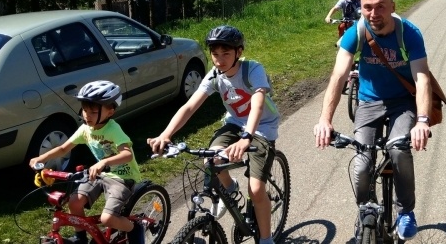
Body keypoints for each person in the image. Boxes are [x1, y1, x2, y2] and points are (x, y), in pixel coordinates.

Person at [313, 0, 431, 242]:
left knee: (398, 148)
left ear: (392, 7)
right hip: (368, 102)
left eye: (380, 7)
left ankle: (405, 211)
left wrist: (422, 120)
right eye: (367, 7)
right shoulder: (357, 31)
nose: (373, 13)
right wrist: (325, 119)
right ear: (361, 9)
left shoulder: (408, 33)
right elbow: (339, 75)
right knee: (362, 162)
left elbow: (421, 77)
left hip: (402, 102)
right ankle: (365, 209)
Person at [147, 25, 280, 244]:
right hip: (235, 123)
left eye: (226, 53)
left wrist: (247, 137)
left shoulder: (253, 69)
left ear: (239, 51)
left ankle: (266, 239)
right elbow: (190, 106)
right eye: (215, 54)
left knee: (256, 189)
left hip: (262, 126)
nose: (219, 60)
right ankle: (230, 188)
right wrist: (166, 134)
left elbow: (257, 103)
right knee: (213, 157)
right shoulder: (215, 75)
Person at [29, 81, 144, 244]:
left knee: (107, 218)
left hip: (122, 177)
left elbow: (127, 155)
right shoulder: (85, 129)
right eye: (85, 110)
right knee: (74, 202)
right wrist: (41, 158)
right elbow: (63, 148)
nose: (86, 115)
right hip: (100, 174)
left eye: (93, 111)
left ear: (110, 111)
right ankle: (80, 238)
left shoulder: (113, 129)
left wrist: (103, 163)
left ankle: (134, 227)